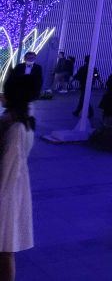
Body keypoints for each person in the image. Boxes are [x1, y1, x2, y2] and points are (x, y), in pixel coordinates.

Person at [0, 73, 35, 281]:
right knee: (5, 250)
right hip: (12, 192)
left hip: (6, 195)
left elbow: (7, 169)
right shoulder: (24, 121)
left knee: (5, 250)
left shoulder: (15, 127)